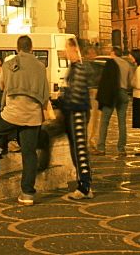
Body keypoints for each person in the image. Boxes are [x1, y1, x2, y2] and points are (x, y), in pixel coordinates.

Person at [0, 35, 50, 206]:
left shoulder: (9, 64)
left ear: (17, 49)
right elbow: (45, 93)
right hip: (33, 114)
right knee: (29, 153)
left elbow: (2, 86)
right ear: (32, 49)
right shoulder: (40, 66)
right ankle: (27, 194)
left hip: (14, 111)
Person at [59, 36, 93, 201]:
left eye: (67, 47)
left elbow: (76, 94)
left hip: (77, 112)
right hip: (73, 112)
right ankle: (84, 184)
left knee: (80, 149)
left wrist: (63, 102)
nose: (65, 50)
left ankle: (85, 186)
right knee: (76, 149)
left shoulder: (78, 68)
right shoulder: (73, 67)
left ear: (74, 49)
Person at [94, 45, 132, 156]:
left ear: (113, 53)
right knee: (122, 122)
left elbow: (105, 80)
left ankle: (101, 147)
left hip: (111, 94)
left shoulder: (110, 63)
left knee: (104, 121)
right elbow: (130, 81)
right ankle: (121, 148)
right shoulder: (127, 64)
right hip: (123, 93)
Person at [82, 45, 101, 149]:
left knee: (89, 118)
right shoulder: (88, 65)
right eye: (92, 53)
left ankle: (89, 140)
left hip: (86, 92)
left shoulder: (83, 64)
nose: (94, 55)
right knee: (93, 118)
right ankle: (89, 141)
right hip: (91, 91)